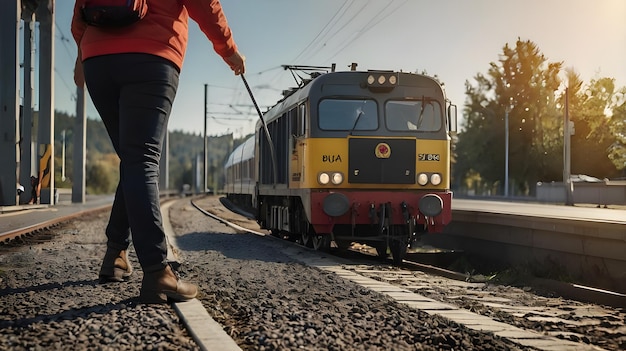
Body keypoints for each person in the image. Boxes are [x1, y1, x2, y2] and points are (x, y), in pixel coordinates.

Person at [71, 0, 246, 303]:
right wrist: (229, 50)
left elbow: (80, 11)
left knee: (133, 161)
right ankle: (157, 272)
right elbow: (205, 4)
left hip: (98, 59)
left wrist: (81, 54)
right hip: (152, 53)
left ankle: (116, 254)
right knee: (141, 161)